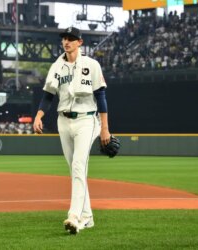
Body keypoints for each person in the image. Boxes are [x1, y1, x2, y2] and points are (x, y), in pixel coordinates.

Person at [33, 26, 113, 235]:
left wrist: (105, 129)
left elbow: (101, 97)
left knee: (78, 165)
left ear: (80, 42)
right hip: (63, 121)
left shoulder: (91, 65)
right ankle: (88, 217)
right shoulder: (56, 67)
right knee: (75, 170)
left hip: (87, 120)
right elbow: (48, 95)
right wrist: (39, 115)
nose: (66, 42)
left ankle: (74, 216)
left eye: (71, 38)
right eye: (64, 39)